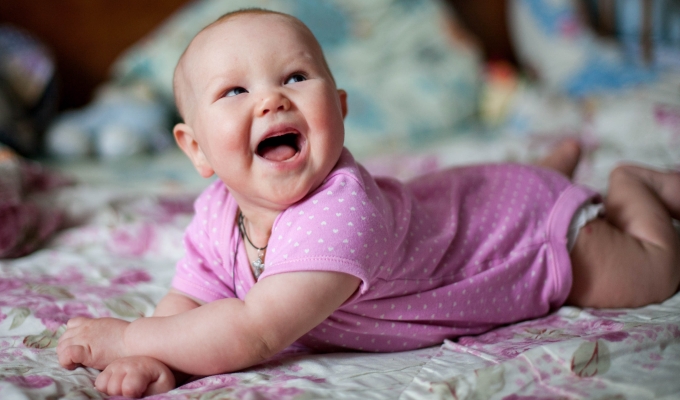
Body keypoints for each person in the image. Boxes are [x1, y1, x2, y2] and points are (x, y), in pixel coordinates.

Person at [56, 8, 680, 398]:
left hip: (529, 238)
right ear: (196, 150)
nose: (271, 101)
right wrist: (160, 357)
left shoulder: (342, 210)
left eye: (295, 77)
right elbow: (194, 300)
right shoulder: (217, 211)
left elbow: (252, 330)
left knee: (651, 273)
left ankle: (630, 186)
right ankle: (540, 173)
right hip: (473, 199)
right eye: (235, 90)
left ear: (342, 110)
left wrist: (126, 339)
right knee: (465, 199)